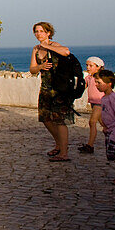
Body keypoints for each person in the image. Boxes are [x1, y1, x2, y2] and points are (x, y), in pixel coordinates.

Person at [29, 21, 73, 161]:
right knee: (46, 119)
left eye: (41, 31)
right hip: (45, 88)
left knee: (59, 120)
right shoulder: (36, 49)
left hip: (59, 89)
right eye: (36, 31)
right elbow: (32, 69)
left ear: (48, 33)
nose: (38, 34)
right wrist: (40, 66)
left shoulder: (54, 46)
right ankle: (59, 144)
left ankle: (63, 152)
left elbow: (66, 52)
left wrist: (46, 46)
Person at [78, 56, 106, 153]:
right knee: (103, 123)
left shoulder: (101, 79)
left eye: (91, 65)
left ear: (98, 67)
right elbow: (81, 89)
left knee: (92, 122)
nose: (88, 67)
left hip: (99, 102)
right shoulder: (89, 78)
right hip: (93, 103)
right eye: (87, 65)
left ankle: (90, 145)